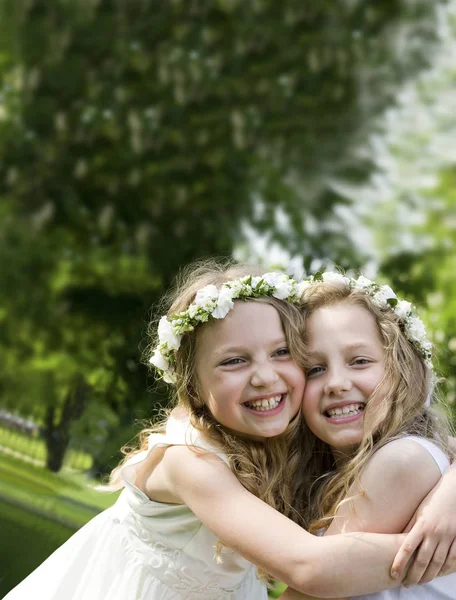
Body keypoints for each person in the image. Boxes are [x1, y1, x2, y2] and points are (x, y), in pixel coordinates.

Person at [4, 262, 456, 600]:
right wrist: (425, 553)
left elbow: (443, 450)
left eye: (282, 353)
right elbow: (309, 565)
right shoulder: (189, 461)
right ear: (193, 387)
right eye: (234, 361)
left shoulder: (287, 451)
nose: (264, 377)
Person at [281, 272, 456, 600]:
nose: (336, 383)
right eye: (314, 369)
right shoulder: (337, 476)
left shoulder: (402, 459)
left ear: (401, 370)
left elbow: (309, 588)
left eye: (359, 361)